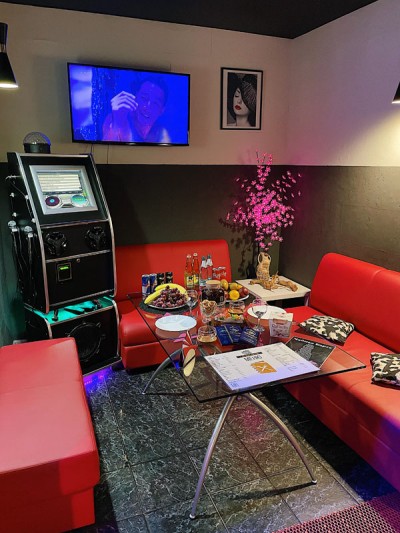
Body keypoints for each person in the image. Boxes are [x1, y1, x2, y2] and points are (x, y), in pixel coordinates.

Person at [102, 77, 171, 143]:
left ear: (161, 111)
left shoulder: (161, 134)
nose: (147, 107)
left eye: (155, 104)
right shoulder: (117, 118)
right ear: (136, 96)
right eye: (144, 98)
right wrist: (117, 122)